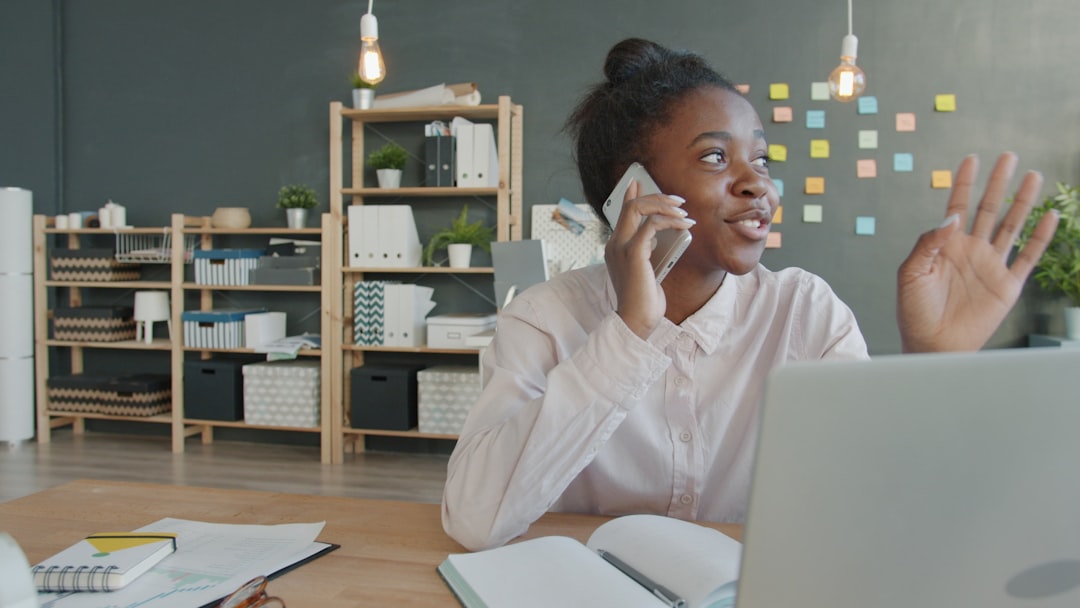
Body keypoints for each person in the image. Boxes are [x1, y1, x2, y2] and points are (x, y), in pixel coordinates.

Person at [441, 38, 1060, 551]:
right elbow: (473, 520)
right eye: (715, 157)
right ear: (632, 192)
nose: (756, 184)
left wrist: (936, 366)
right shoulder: (544, 320)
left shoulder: (806, 314)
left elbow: (883, 513)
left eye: (761, 160)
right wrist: (628, 333)